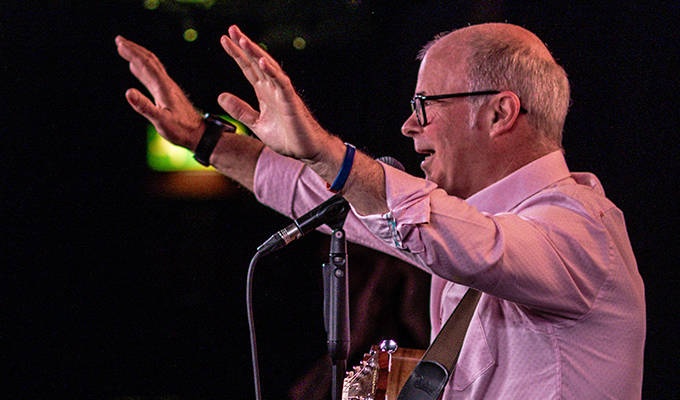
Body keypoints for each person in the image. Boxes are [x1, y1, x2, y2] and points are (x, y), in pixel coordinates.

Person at [116, 22, 645, 399]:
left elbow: (467, 242)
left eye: (426, 106)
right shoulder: (472, 226)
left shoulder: (581, 229)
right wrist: (207, 143)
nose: (408, 127)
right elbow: (328, 199)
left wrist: (329, 152)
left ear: (500, 112)